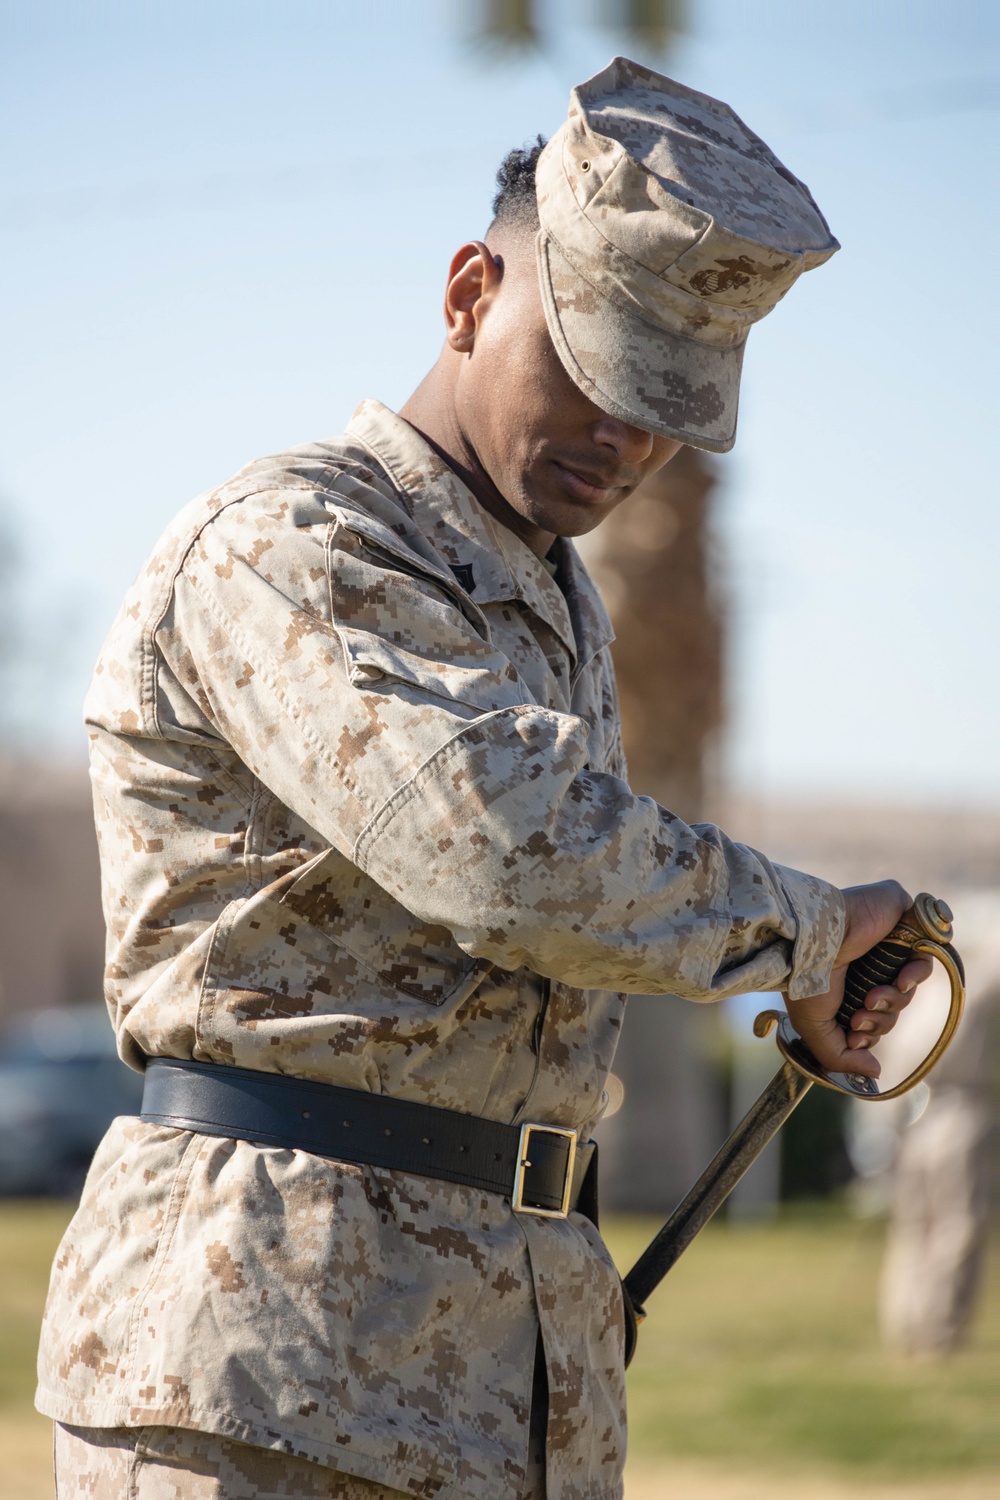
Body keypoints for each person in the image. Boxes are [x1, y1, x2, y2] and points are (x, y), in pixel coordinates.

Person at [37, 58, 931, 1500]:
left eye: (670, 404)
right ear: (467, 293)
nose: (629, 439)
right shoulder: (295, 544)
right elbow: (501, 852)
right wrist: (811, 930)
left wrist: (804, 980)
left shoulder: (556, 603)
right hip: (261, 1371)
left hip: (506, 1383)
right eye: (594, 373)